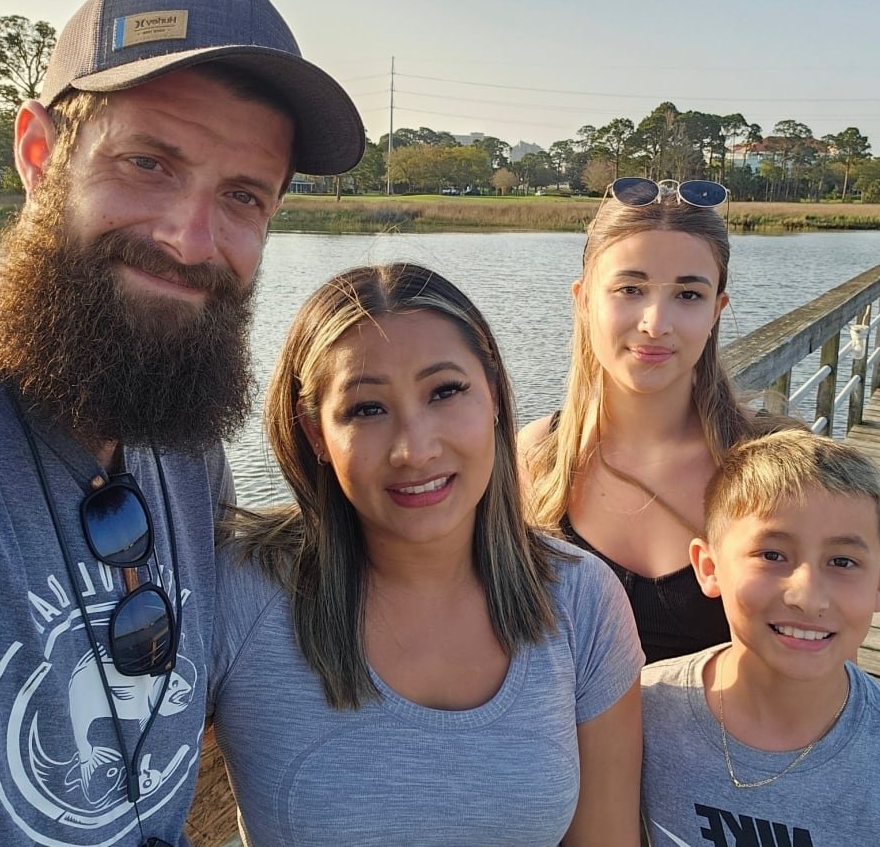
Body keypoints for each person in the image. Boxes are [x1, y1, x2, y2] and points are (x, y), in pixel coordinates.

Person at [0, 0, 364, 844]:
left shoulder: (184, 450)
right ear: (40, 155)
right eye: (148, 162)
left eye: (242, 196)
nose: (190, 240)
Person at [209, 263, 644, 846]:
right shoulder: (238, 596)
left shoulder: (583, 599)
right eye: (367, 409)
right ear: (316, 434)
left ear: (492, 392)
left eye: (445, 392)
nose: (414, 449)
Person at [641, 430, 880, 845]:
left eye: (842, 561)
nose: (808, 597)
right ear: (708, 567)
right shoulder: (636, 715)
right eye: (772, 555)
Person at [520, 178, 795, 663]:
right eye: (630, 288)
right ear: (583, 300)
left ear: (716, 311)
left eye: (688, 295)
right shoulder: (534, 459)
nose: (655, 323)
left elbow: (824, 678)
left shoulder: (778, 465)